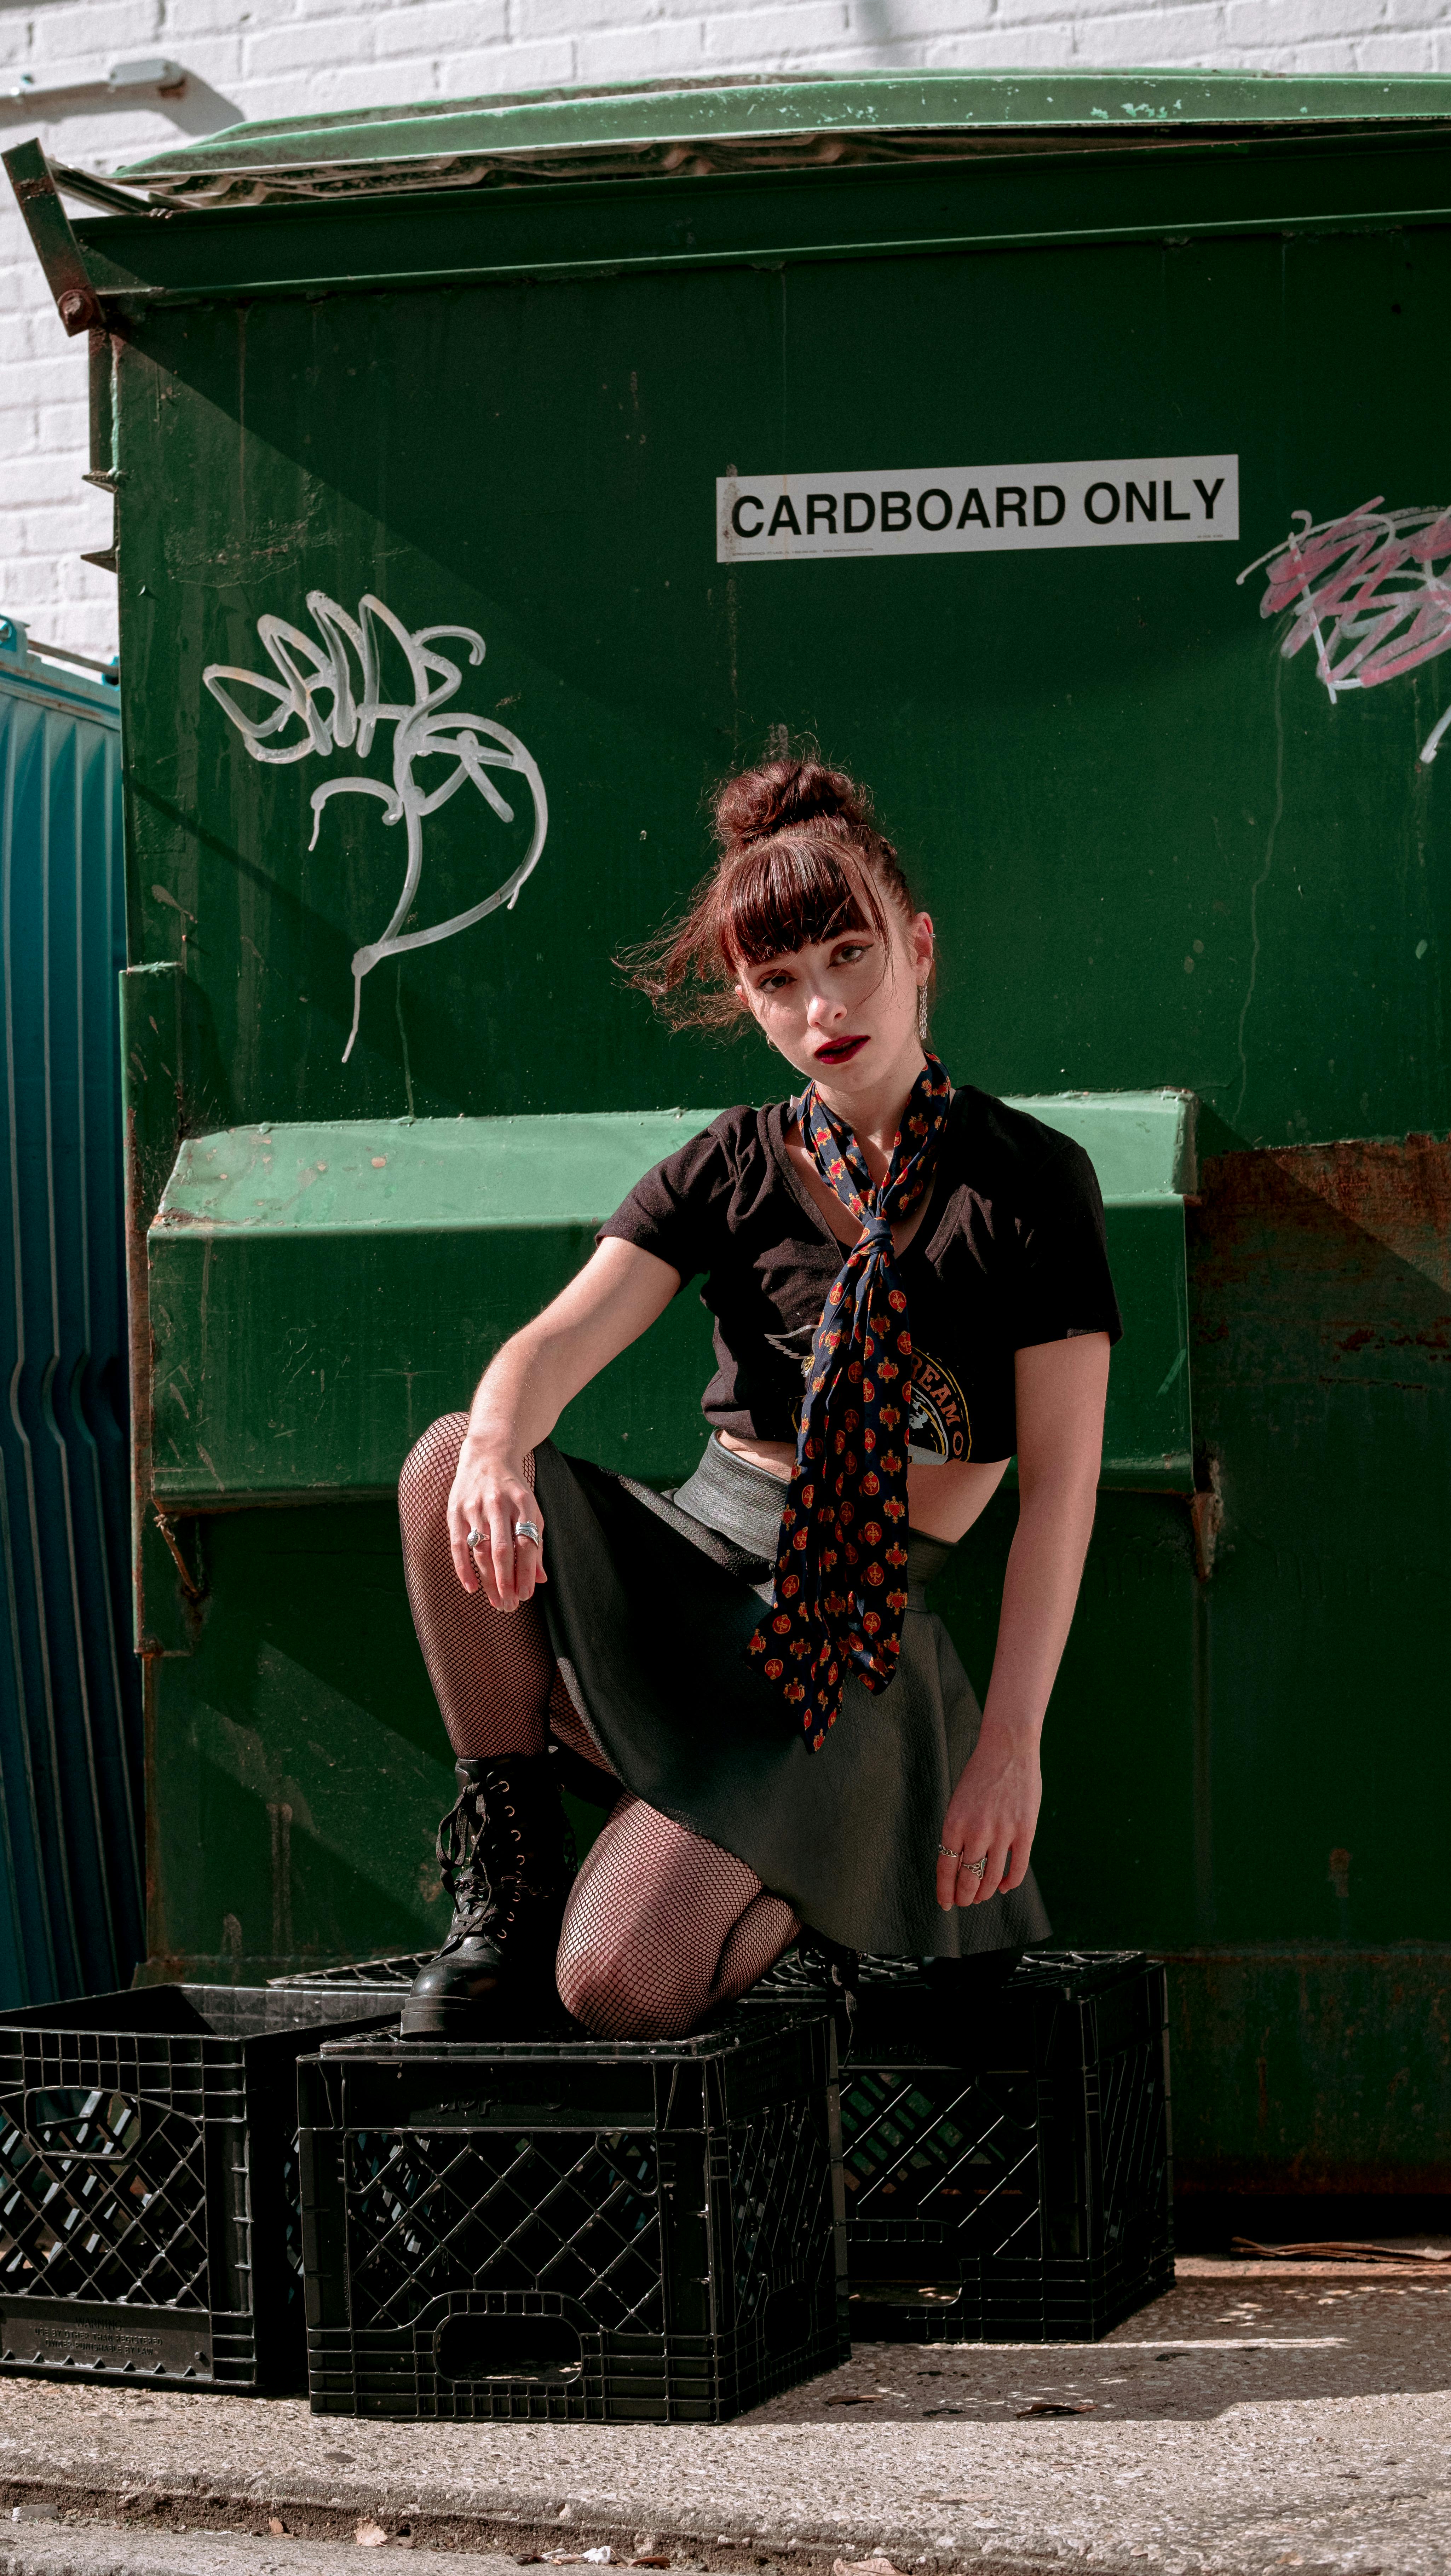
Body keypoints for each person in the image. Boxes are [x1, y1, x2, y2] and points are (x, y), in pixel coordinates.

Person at [396, 753, 1119, 2041]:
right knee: (452, 1450)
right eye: (778, 982)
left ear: (919, 947)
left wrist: (1014, 1740)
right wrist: (505, 1445)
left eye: (849, 954)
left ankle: (820, 1895)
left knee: (618, 1984)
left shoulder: (1029, 1185)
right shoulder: (731, 1164)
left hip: (839, 1643)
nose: (822, 1005)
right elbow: (553, 1343)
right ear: (748, 1000)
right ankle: (509, 1881)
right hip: (695, 1577)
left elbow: (1061, 1495)